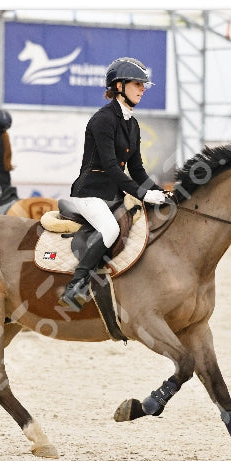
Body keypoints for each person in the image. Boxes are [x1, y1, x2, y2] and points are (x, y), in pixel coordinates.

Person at [58, 57, 167, 311]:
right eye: (137, 84)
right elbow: (110, 167)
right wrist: (143, 194)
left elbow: (137, 169)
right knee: (110, 230)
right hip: (89, 193)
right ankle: (75, 284)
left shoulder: (133, 124)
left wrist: (160, 193)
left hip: (113, 195)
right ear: (119, 86)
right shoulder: (103, 120)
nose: (142, 89)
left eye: (144, 85)